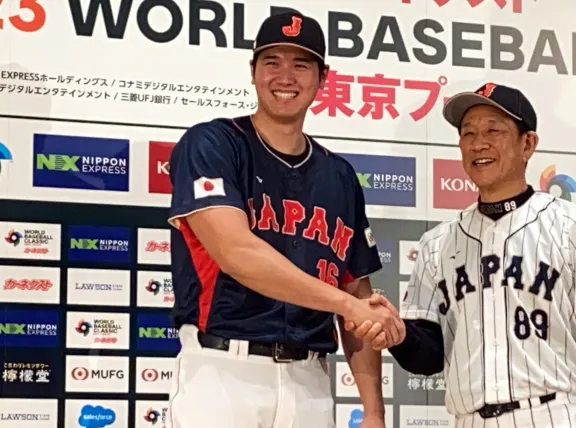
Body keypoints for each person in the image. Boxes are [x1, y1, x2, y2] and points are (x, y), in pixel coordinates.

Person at [164, 11, 405, 428]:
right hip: (223, 373)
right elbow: (236, 252)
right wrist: (349, 305)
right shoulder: (213, 143)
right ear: (253, 71)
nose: (285, 76)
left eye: (301, 64)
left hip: (309, 380)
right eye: (272, 62)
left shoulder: (339, 176)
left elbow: (357, 293)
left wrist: (373, 413)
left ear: (322, 77)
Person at [348, 83, 576, 427]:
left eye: (493, 130)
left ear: (527, 144)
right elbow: (428, 358)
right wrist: (398, 334)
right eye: (467, 133)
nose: (478, 143)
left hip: (553, 414)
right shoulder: (436, 243)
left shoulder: (574, 226)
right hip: (470, 419)